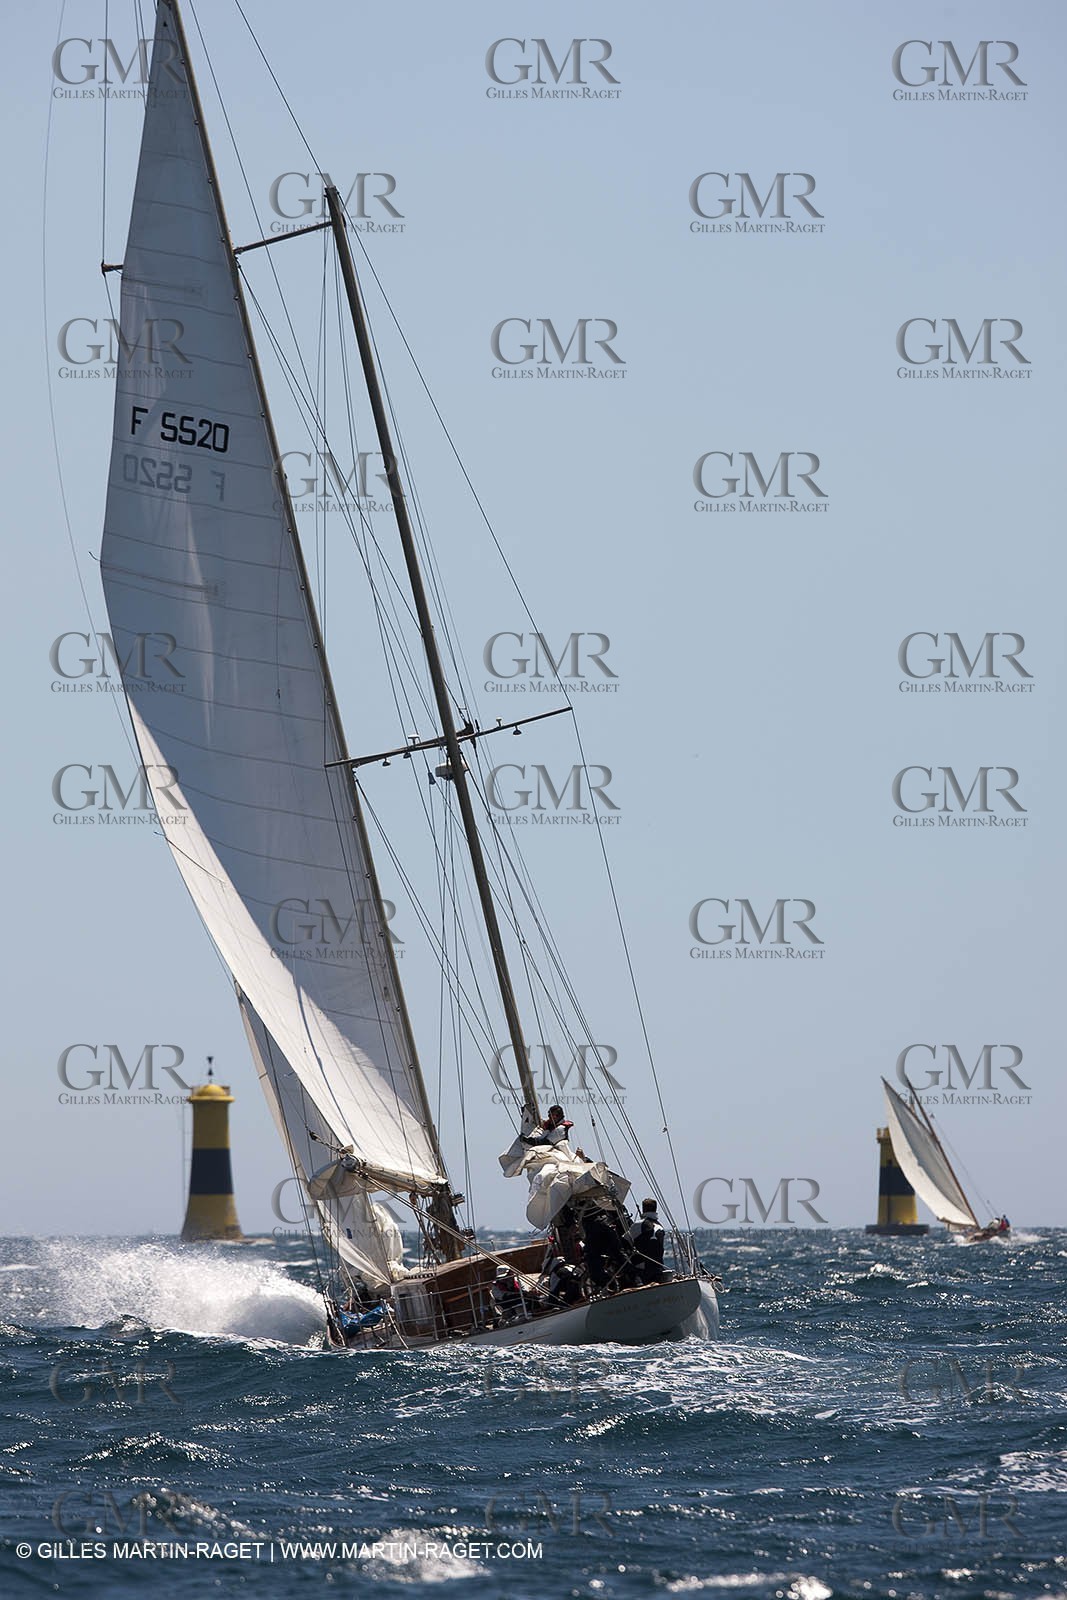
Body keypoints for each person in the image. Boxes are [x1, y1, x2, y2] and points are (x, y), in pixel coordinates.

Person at [521, 1105, 588, 1161]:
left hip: (561, 1157)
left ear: (558, 1116)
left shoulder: (561, 1129)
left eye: (552, 1116)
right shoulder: (550, 1125)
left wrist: (526, 1140)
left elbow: (545, 1143)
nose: (550, 1118)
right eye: (549, 1115)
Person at [629, 1198, 665, 1284]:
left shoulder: (638, 1224)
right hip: (659, 1267)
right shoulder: (660, 1226)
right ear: (655, 1209)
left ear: (643, 1209)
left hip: (643, 1270)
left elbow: (624, 1240)